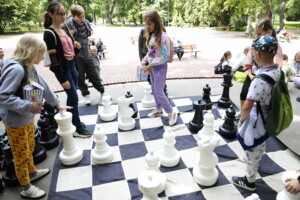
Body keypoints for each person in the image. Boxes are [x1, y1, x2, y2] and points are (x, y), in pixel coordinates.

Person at [0, 34, 71, 199]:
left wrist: (56, 103)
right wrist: (29, 106)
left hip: (26, 117)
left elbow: (43, 85)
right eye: (41, 53)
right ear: (31, 51)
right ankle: (25, 187)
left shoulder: (29, 66)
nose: (43, 57)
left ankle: (31, 172)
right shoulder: (16, 69)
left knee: (30, 146)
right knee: (21, 155)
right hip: (15, 121)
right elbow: (3, 96)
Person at [231, 35, 280, 191]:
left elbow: (247, 105)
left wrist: (241, 121)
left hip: (257, 120)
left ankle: (249, 181)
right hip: (269, 117)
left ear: (257, 54)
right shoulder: (277, 71)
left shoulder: (260, 79)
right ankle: (254, 159)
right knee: (259, 145)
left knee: (252, 145)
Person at [43, 1, 92, 137]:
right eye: (59, 14)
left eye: (64, 14)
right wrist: (62, 78)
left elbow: (69, 52)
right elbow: (54, 61)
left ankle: (68, 122)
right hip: (64, 70)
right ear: (51, 15)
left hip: (72, 66)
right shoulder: (49, 33)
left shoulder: (65, 29)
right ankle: (76, 127)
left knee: (72, 97)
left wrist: (76, 47)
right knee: (74, 97)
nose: (63, 17)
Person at [238, 18, 283, 117]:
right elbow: (249, 60)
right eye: (256, 34)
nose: (257, 36)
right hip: (253, 74)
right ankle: (243, 114)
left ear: (269, 32)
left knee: (262, 100)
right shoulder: (255, 43)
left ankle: (258, 117)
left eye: (259, 34)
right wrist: (250, 75)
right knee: (244, 94)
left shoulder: (275, 46)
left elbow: (279, 64)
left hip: (266, 76)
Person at [62, 5, 106, 105]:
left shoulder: (85, 22)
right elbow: (62, 39)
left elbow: (90, 33)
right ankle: (86, 95)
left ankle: (103, 92)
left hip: (88, 54)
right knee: (80, 78)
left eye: (83, 16)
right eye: (80, 17)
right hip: (77, 57)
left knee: (94, 74)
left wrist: (90, 33)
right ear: (73, 16)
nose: (82, 19)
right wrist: (69, 36)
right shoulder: (67, 25)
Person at [141, 11, 177, 126]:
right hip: (152, 68)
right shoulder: (152, 35)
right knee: (154, 90)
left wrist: (151, 65)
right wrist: (144, 60)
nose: (147, 26)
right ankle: (158, 109)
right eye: (146, 24)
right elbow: (151, 52)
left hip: (160, 68)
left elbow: (165, 57)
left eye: (150, 24)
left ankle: (171, 112)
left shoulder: (163, 37)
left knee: (159, 92)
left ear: (156, 23)